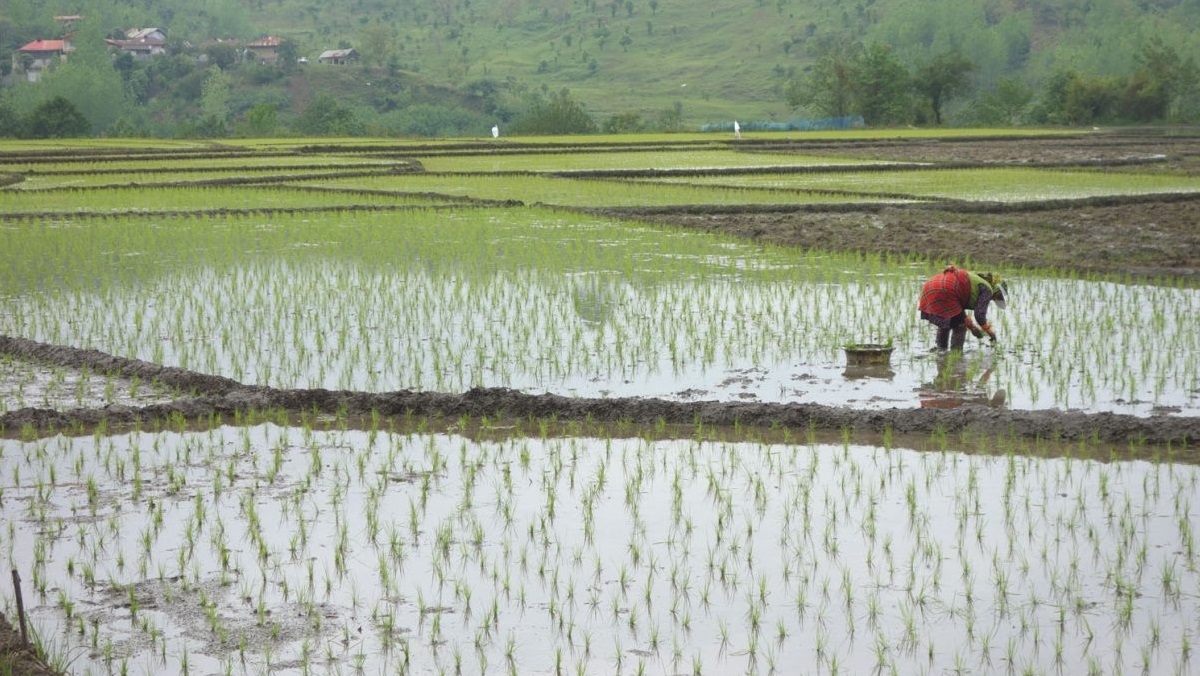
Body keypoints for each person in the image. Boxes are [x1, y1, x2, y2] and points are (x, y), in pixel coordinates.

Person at [918, 265, 1007, 351]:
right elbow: (979, 315)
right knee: (960, 326)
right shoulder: (987, 289)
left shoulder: (974, 280)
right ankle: (956, 353)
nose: (992, 300)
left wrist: (972, 328)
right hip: (947, 289)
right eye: (995, 298)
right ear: (996, 292)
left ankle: (941, 352)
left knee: (945, 321)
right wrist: (991, 333)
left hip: (930, 286)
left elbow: (959, 312)